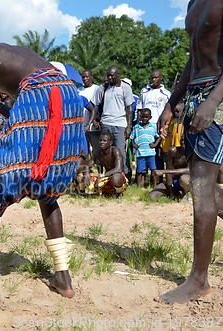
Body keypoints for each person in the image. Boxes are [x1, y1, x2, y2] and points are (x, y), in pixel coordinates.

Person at [0, 36, 85, 309]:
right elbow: (28, 98)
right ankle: (64, 279)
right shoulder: (13, 55)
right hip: (67, 95)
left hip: (42, 94)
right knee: (45, 183)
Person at [155, 0, 223, 304]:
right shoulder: (194, 3)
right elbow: (193, 57)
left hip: (217, 96)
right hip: (195, 92)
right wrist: (172, 101)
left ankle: (198, 281)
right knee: (205, 187)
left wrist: (212, 103)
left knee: (202, 185)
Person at [92, 66, 134, 176]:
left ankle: (125, 175)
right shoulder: (103, 88)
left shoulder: (125, 88)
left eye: (112, 75)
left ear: (117, 74)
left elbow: (129, 108)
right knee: (105, 151)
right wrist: (95, 120)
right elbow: (94, 104)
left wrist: (129, 126)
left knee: (120, 151)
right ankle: (109, 175)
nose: (109, 78)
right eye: (108, 75)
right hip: (105, 123)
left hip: (120, 124)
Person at [91, 131, 129, 198]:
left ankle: (119, 193)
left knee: (116, 176)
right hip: (106, 178)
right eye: (100, 140)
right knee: (83, 175)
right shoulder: (97, 152)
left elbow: (119, 169)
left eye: (104, 141)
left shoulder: (115, 151)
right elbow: (88, 165)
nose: (102, 142)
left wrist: (102, 176)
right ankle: (81, 191)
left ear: (110, 143)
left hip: (118, 177)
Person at [130, 108, 161, 187]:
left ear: (150, 117)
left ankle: (154, 185)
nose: (144, 119)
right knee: (140, 170)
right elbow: (132, 138)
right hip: (140, 153)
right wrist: (134, 145)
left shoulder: (152, 127)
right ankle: (139, 185)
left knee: (153, 169)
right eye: (143, 117)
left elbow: (159, 137)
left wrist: (155, 144)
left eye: (146, 117)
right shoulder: (136, 127)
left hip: (150, 152)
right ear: (140, 117)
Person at [80, 70, 100, 154]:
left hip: (94, 126)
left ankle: (99, 167)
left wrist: (96, 120)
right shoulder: (79, 91)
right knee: (85, 151)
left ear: (91, 77)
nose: (85, 79)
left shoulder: (97, 89)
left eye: (87, 76)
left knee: (97, 150)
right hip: (83, 126)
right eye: (83, 77)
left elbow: (99, 106)